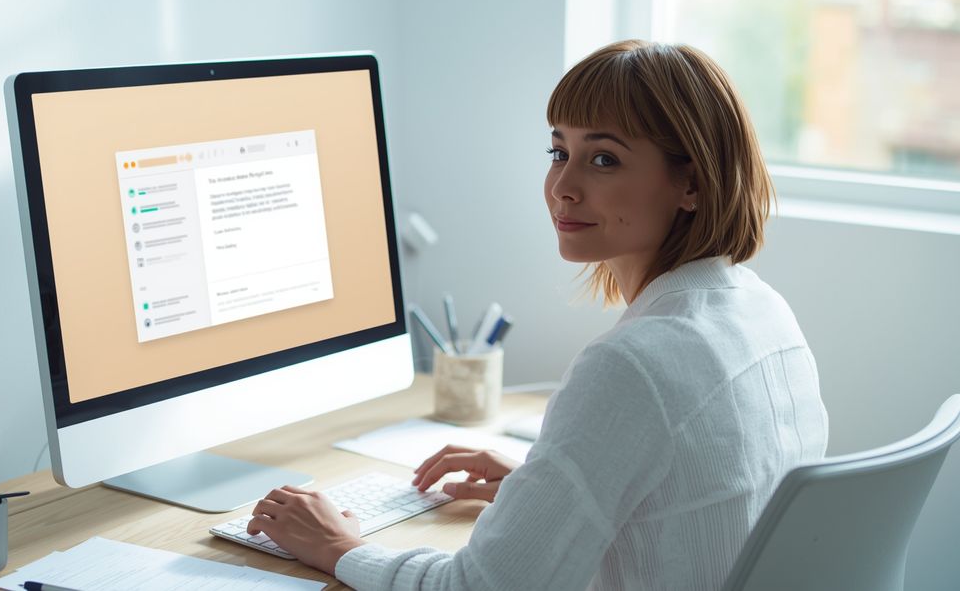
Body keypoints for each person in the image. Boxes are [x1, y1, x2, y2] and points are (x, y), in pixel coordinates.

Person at [245, 39, 829, 590]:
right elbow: (698, 499)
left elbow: (481, 588)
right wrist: (548, 487)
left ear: (692, 185)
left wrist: (339, 546)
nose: (562, 187)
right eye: (559, 152)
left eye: (603, 159)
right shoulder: (761, 310)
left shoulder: (633, 365)